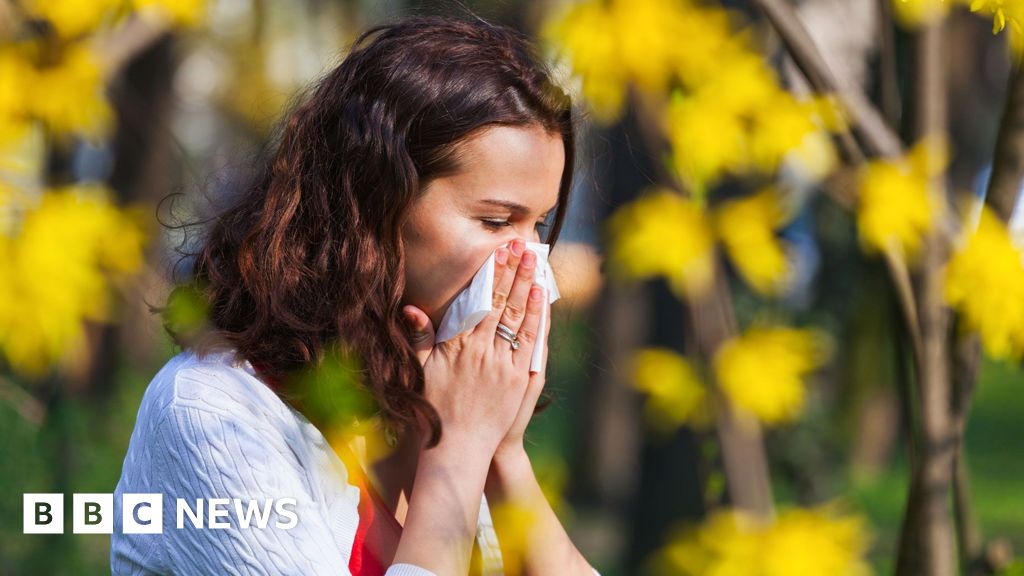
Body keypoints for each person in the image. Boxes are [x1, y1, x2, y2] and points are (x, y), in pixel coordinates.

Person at [110, 13, 600, 576]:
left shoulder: (421, 403)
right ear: (374, 205)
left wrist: (501, 454)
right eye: (494, 222)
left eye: (537, 226)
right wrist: (458, 451)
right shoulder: (212, 414)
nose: (529, 264)